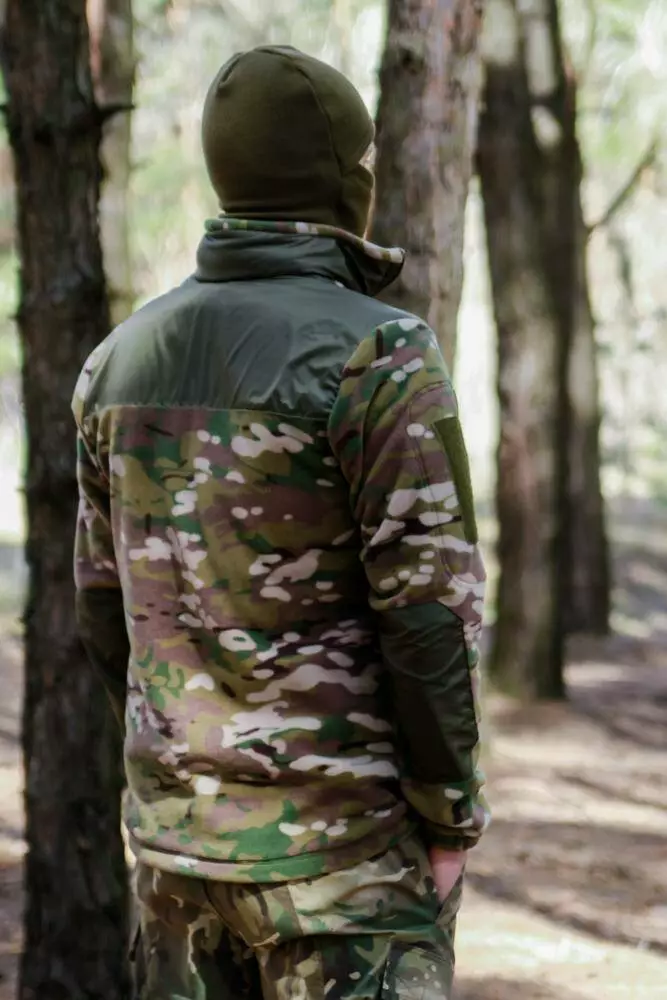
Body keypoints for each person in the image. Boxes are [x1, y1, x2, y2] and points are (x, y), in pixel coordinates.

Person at [72, 45, 489, 1000]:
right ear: (343, 180)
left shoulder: (116, 361)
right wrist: (449, 817)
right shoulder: (378, 354)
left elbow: (104, 610)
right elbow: (428, 617)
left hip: (179, 860)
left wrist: (179, 780)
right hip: (344, 866)